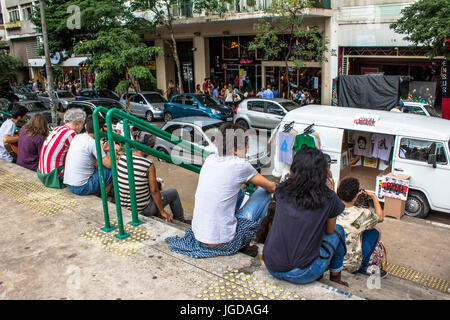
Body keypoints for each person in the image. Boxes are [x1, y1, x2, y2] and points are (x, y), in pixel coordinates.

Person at [166, 122, 276, 258]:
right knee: (263, 193)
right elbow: (271, 187)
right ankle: (244, 242)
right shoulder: (240, 165)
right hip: (223, 243)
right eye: (245, 143)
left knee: (239, 192)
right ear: (235, 149)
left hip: (198, 234)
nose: (248, 147)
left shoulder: (210, 159)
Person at [263, 147, 348, 286]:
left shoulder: (282, 189)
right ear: (322, 172)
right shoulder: (329, 197)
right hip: (301, 274)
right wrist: (331, 190)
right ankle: (335, 278)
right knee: (339, 230)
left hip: (271, 265)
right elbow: (330, 231)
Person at [117, 133, 188, 223]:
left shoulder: (122, 157)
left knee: (156, 184)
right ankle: (181, 221)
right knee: (173, 192)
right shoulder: (148, 165)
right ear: (149, 148)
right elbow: (154, 191)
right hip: (142, 209)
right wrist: (163, 212)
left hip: (124, 205)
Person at [336, 178, 387, 278]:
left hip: (330, 258)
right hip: (349, 265)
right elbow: (380, 217)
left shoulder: (330, 206)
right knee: (374, 232)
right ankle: (362, 269)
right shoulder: (361, 214)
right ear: (355, 196)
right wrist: (374, 197)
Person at [63, 115, 120, 197]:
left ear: (86, 126)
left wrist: (103, 150)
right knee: (114, 169)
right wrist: (114, 150)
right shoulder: (93, 143)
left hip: (69, 184)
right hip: (82, 187)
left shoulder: (77, 137)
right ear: (100, 130)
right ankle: (105, 196)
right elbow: (110, 165)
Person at [37, 108, 86, 188]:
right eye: (82, 124)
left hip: (42, 173)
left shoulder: (57, 129)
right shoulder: (70, 133)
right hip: (53, 176)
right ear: (78, 123)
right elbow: (82, 153)